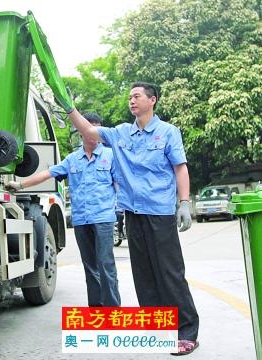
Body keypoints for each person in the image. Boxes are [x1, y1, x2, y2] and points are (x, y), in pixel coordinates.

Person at [66, 82, 199, 355]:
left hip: (160, 214)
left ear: (153, 100)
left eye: (137, 96)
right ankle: (158, 328)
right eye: (130, 97)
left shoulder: (167, 132)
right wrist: (70, 109)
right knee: (144, 274)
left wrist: (183, 203)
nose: (132, 100)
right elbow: (89, 131)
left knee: (169, 273)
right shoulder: (121, 133)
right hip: (133, 215)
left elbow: (180, 168)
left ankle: (187, 332)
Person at [6, 113, 121, 307]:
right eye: (89, 128)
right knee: (90, 268)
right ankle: (96, 311)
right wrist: (20, 185)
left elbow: (120, 184)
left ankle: (113, 311)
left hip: (103, 219)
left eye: (97, 129)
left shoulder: (111, 156)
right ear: (81, 131)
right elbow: (46, 174)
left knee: (106, 265)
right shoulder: (73, 159)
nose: (93, 133)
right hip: (81, 220)